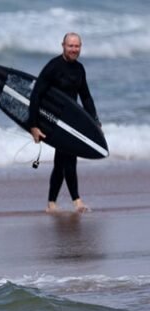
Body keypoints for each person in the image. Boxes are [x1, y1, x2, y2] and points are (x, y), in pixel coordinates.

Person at [28, 32, 99, 214]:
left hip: (70, 121)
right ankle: (76, 201)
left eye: (77, 46)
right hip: (53, 121)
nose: (74, 49)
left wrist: (95, 122)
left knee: (61, 161)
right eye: (71, 46)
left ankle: (51, 203)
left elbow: (86, 97)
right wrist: (34, 125)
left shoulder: (80, 69)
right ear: (63, 46)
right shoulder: (53, 67)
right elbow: (36, 95)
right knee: (68, 157)